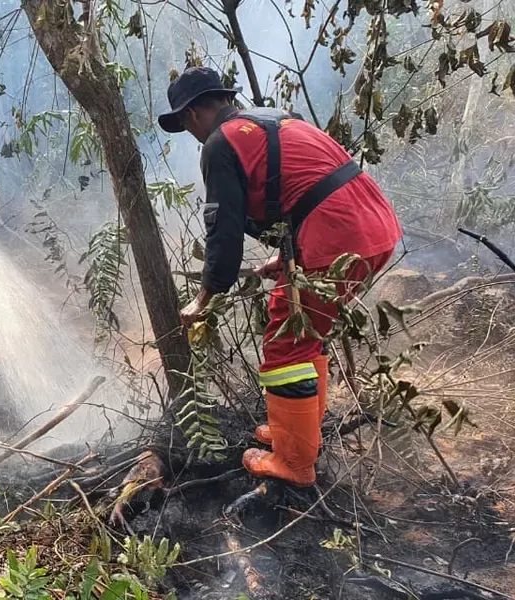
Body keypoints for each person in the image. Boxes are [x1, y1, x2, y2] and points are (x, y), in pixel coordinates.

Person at [159, 66, 402, 487]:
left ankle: (294, 461)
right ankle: (298, 432)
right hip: (371, 224)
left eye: (184, 121)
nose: (189, 131)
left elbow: (225, 231)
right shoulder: (273, 118)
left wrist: (204, 297)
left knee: (285, 344)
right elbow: (305, 188)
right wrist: (286, 255)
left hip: (340, 234)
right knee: (301, 326)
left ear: (195, 112)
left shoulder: (220, 144)